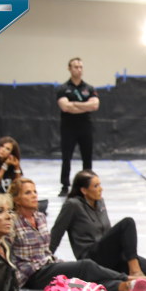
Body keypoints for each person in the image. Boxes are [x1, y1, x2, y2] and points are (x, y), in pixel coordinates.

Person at [50, 170, 146, 287]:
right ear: (84, 190)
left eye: (100, 184)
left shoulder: (100, 202)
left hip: (107, 254)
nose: (101, 189)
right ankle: (135, 270)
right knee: (127, 223)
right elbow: (56, 233)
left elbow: (106, 233)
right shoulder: (72, 205)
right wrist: (46, 262)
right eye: (96, 186)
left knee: (142, 262)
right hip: (90, 256)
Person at [9, 177, 146, 291]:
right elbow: (6, 254)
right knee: (85, 266)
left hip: (48, 264)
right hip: (31, 273)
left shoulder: (40, 217)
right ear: (16, 199)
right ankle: (127, 278)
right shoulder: (12, 222)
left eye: (35, 191)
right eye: (28, 193)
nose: (34, 195)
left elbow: (45, 250)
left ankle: (122, 286)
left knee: (78, 283)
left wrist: (58, 263)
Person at [56, 57, 99, 197]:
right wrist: (85, 106)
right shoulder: (63, 88)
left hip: (85, 127)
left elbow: (95, 105)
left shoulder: (89, 88)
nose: (79, 70)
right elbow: (65, 107)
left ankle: (88, 185)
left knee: (87, 157)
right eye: (75, 67)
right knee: (66, 158)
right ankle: (65, 186)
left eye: (81, 67)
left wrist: (74, 104)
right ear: (69, 69)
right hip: (68, 128)